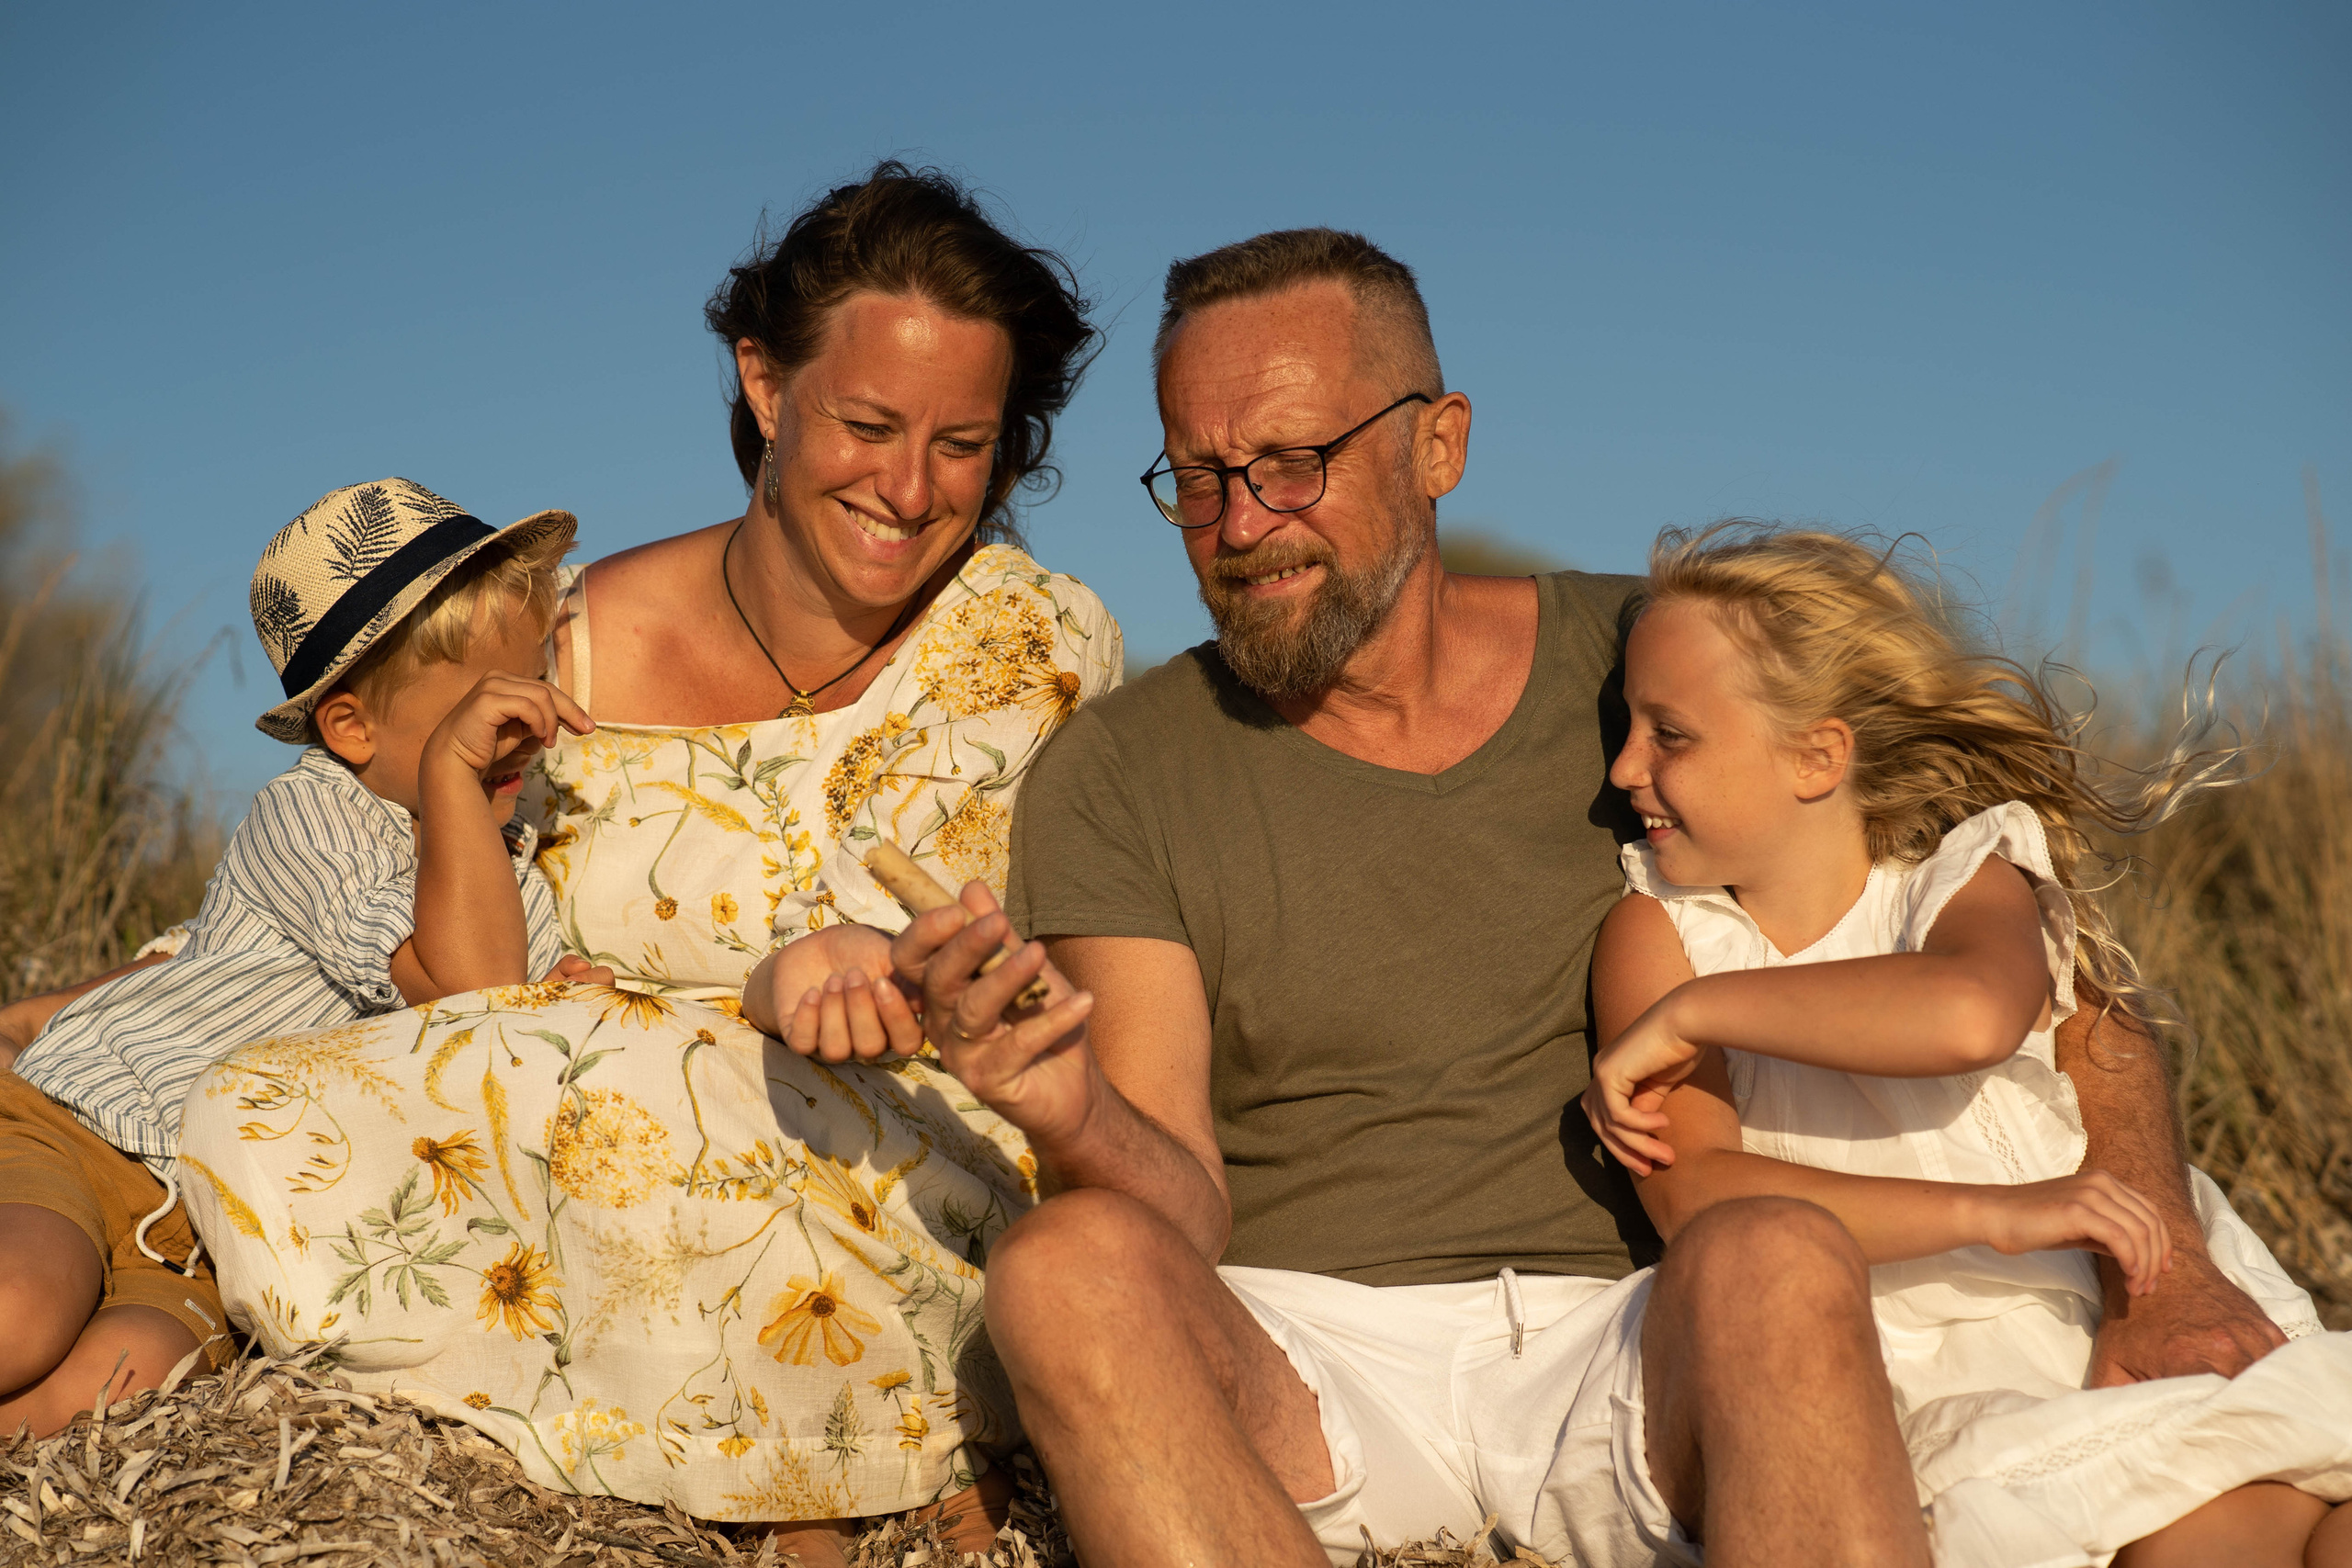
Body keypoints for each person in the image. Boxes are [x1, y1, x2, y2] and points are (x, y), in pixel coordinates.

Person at [866, 226, 2308, 1568]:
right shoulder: (1123, 765)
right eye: (1198, 475)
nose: (1244, 523)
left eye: (1294, 461)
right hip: (1311, 1345)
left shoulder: (1665, 670)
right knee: (1064, 1266)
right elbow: (1168, 1198)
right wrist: (1066, 1105)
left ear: (1441, 444)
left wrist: (2165, 1264)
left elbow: (2064, 979)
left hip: (1638, 1323)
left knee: (1773, 1249)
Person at [172, 164, 1118, 1560]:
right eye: (867, 423)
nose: (910, 489)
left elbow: (1087, 954)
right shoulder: (563, 646)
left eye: (963, 443)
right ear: (764, 381)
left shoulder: (1041, 648)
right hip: (586, 1119)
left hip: (901, 1156)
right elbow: (428, 931)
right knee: (258, 1103)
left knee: (626, 1075)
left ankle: (848, 1457)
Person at [1582, 523, 2352, 1566]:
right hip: (1899, 1361)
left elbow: (1964, 1015)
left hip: (2091, 1308)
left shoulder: (1959, 878)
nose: (1624, 768)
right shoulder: (1660, 933)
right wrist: (1992, 1215)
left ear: (1819, 754)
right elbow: (1697, 1192)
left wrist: (1696, 1017)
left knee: (2254, 1525)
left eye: (1669, 734)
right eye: (1626, 726)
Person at [1, 478, 591, 1437]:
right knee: (19, 1311)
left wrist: (571, 1003)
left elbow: (502, 1017)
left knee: (120, 1387)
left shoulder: (513, 874)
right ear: (350, 726)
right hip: (86, 1126)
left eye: (535, 680)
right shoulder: (312, 814)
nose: (528, 723)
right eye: (483, 708)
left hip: (208, 1233)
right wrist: (449, 771)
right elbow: (470, 991)